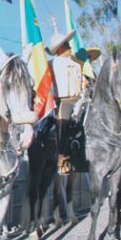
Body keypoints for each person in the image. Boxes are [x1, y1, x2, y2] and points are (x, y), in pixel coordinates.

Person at [46, 28, 91, 175]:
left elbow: (81, 81)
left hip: (79, 99)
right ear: (60, 48)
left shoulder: (77, 64)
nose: (70, 48)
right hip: (63, 100)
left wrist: (84, 84)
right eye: (66, 45)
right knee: (63, 120)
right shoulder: (51, 64)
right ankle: (61, 155)